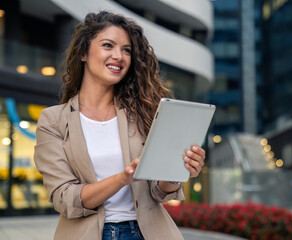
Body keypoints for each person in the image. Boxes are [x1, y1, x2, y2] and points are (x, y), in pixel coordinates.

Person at [34, 11, 206, 240]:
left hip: (148, 233)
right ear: (84, 53)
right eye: (108, 45)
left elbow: (158, 190)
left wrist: (176, 171)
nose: (119, 56)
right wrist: (121, 178)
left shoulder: (143, 112)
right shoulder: (53, 120)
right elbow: (65, 198)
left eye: (126, 50)